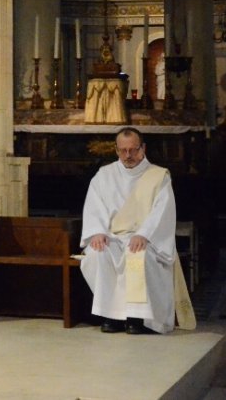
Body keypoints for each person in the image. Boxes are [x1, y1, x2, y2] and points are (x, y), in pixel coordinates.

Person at [79, 128, 195, 334]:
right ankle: (111, 315)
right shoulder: (104, 175)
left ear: (143, 148)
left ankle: (137, 318)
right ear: (116, 150)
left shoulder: (158, 176)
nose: (128, 156)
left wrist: (145, 234)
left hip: (144, 239)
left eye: (133, 150)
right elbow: (94, 206)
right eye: (123, 151)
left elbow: (162, 211)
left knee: (137, 255)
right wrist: (97, 231)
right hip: (113, 237)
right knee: (97, 254)